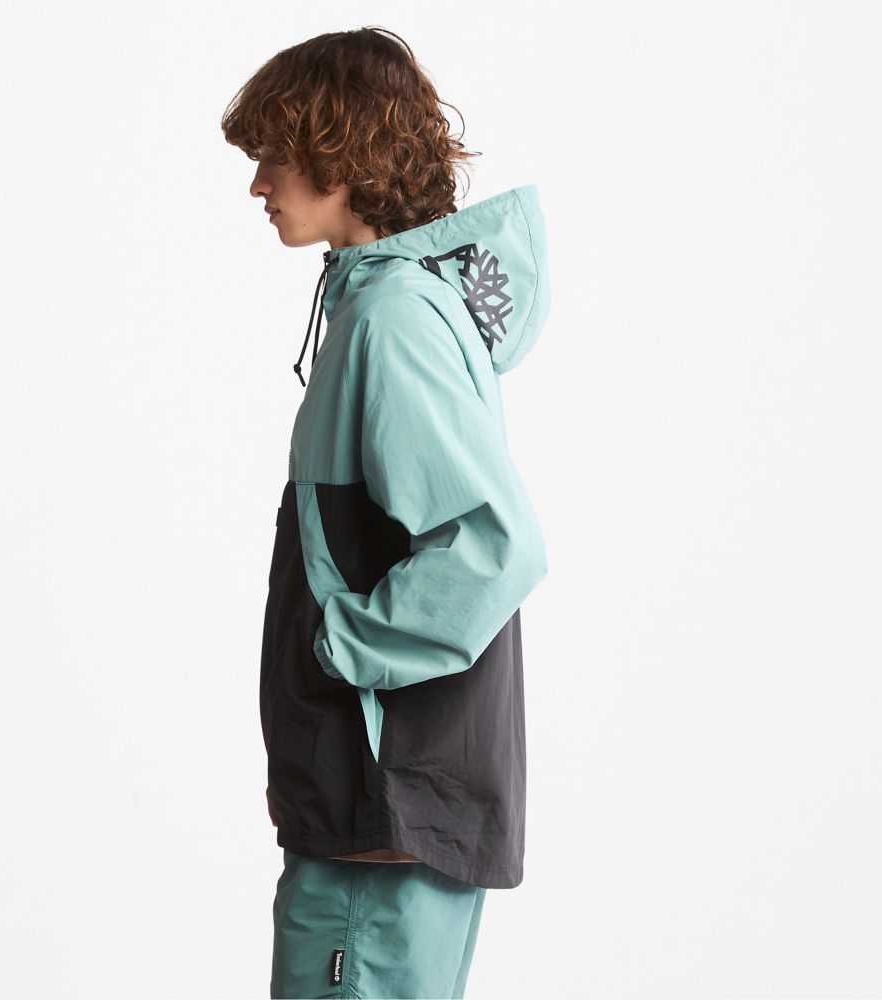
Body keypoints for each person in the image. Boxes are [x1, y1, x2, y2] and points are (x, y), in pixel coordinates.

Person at [222, 25, 551, 999]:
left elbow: (491, 545)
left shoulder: (394, 319)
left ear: (341, 155)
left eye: (275, 156)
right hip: (386, 807)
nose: (258, 184)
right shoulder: (388, 306)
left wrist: (338, 649)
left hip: (383, 799)